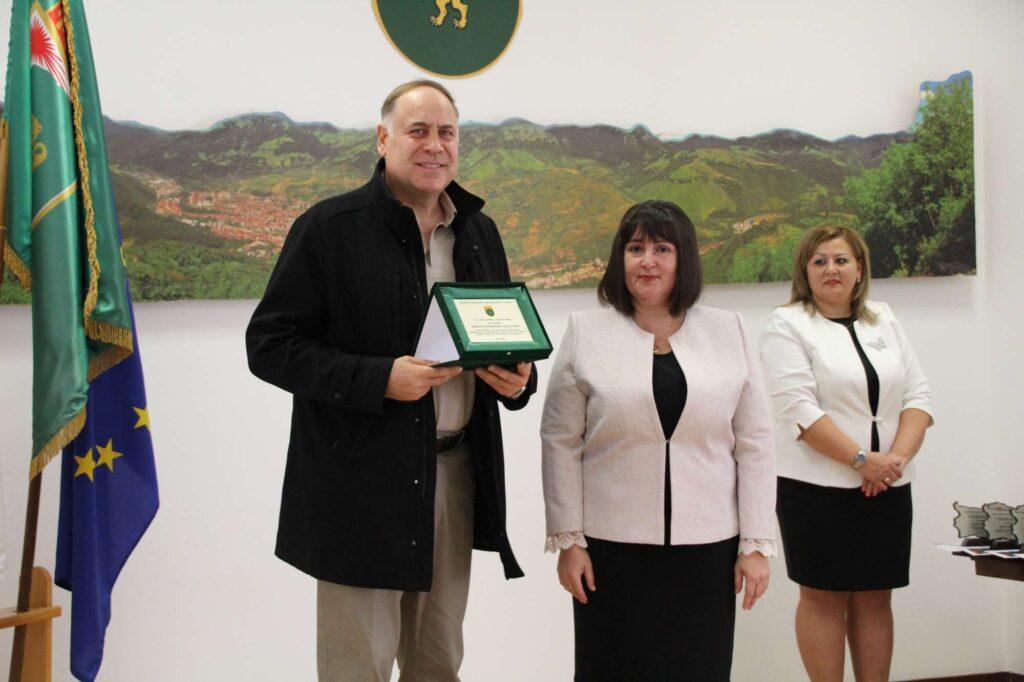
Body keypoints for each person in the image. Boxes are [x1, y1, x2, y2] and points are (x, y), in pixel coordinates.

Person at [245, 80, 536, 682]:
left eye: (447, 133)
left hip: (455, 474)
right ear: (383, 139)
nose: (435, 145)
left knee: (438, 662)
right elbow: (270, 346)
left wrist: (518, 382)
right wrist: (379, 378)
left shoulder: (478, 231)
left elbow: (501, 335)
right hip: (361, 483)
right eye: (417, 131)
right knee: (360, 667)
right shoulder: (329, 228)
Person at [541, 200, 776, 681]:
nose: (647, 261)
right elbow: (559, 440)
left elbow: (754, 442)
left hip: (707, 549)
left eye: (662, 249)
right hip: (610, 551)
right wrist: (569, 540)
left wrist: (756, 544)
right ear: (619, 258)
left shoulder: (728, 329)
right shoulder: (585, 332)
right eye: (635, 248)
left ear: (683, 258)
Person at [759, 224, 934, 682]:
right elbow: (798, 410)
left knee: (876, 595)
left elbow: (918, 395)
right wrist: (862, 460)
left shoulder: (884, 318)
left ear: (859, 269)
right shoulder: (786, 324)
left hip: (887, 486)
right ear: (805, 271)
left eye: (841, 260)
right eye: (819, 261)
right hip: (816, 490)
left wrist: (893, 461)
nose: (830, 269)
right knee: (824, 597)